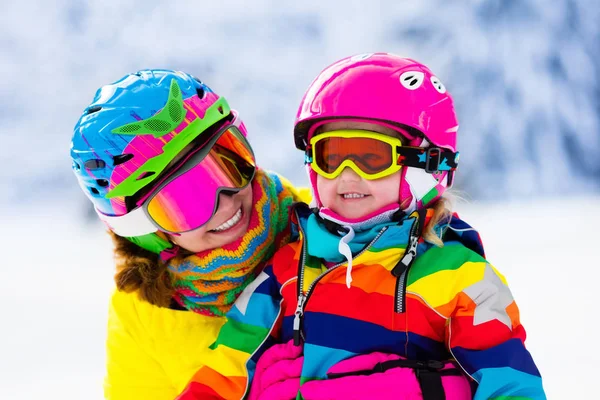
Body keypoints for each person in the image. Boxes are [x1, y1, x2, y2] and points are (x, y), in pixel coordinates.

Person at [176, 53, 546, 400]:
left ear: (426, 165)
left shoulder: (461, 279)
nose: (347, 175)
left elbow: (509, 384)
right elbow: (224, 371)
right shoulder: (287, 270)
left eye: (371, 157)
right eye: (331, 156)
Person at [70, 69, 310, 400]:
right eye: (187, 201)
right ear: (145, 232)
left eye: (229, 162)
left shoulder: (331, 234)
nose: (226, 203)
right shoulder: (146, 310)